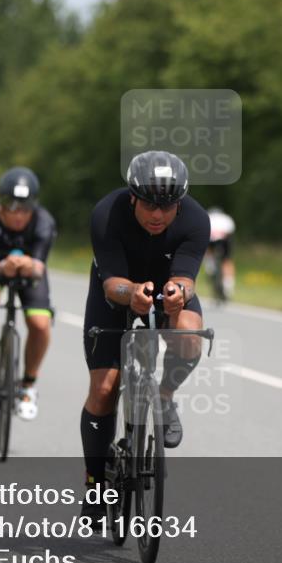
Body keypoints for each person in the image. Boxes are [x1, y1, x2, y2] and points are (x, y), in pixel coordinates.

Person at [79, 150, 210, 522]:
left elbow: (185, 278)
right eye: (150, 204)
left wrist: (177, 297)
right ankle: (94, 483)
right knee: (104, 389)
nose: (158, 215)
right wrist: (131, 294)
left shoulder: (197, 220)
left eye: (168, 207)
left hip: (167, 284)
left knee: (188, 333)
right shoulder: (107, 214)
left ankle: (165, 397)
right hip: (116, 287)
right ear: (133, 196)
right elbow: (113, 285)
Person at [0, 167, 57, 420]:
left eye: (25, 209)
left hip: (31, 270)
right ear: (1, 205)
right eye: (12, 207)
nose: (19, 215)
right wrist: (5, 266)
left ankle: (28, 385)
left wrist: (28, 265)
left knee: (40, 323)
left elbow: (39, 267)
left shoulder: (44, 222)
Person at [206, 206, 236, 300]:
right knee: (227, 260)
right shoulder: (226, 218)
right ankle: (228, 286)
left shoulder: (207, 216)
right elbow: (231, 231)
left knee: (208, 253)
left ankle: (210, 268)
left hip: (211, 239)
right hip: (225, 239)